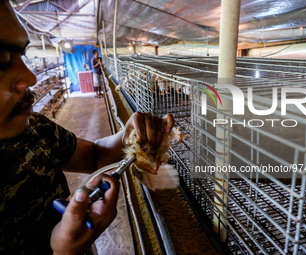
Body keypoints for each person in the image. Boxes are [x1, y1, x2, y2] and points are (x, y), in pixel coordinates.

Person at [0, 1, 175, 254]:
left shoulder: (34, 128)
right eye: (2, 60)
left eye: (21, 55)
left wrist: (127, 136)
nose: (30, 78)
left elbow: (94, 155)